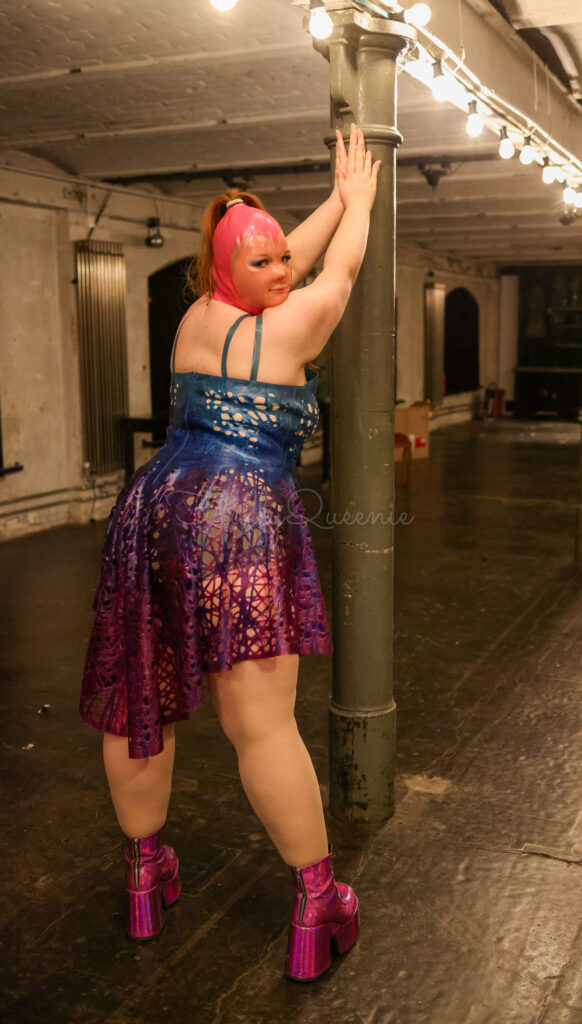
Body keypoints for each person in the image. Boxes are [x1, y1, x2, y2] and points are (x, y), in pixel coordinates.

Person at [79, 123, 380, 982]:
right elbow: (342, 271)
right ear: (232, 272)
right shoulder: (294, 329)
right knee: (262, 725)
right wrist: (358, 204)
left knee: (141, 696)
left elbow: (271, 260)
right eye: (268, 265)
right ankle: (318, 900)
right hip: (238, 518)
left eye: (286, 260)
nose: (284, 273)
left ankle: (145, 875)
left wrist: (325, 203)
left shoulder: (196, 318)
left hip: (154, 508)